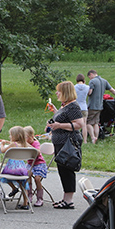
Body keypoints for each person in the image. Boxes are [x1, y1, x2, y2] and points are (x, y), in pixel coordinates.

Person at [46, 81, 84, 209]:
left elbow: (79, 124)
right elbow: (64, 118)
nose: (57, 93)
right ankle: (65, 198)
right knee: (62, 170)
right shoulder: (64, 106)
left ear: (65, 92)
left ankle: (69, 200)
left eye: (59, 91)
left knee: (67, 169)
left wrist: (59, 125)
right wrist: (55, 113)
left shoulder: (73, 106)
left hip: (68, 142)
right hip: (60, 142)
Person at [87, 69, 115, 144]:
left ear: (91, 74)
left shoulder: (92, 81)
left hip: (92, 105)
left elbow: (90, 93)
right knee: (96, 123)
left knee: (88, 122)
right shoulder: (104, 81)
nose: (89, 78)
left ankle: (93, 137)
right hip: (100, 106)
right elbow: (112, 90)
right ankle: (96, 137)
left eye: (89, 77)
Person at [23, 126, 47, 207]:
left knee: (37, 178)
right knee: (27, 176)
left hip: (39, 163)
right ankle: (29, 194)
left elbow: (37, 152)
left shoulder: (35, 143)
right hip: (30, 164)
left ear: (31, 137)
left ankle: (40, 198)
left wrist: (28, 145)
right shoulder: (25, 144)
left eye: (25, 137)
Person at [75, 74, 90, 144]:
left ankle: (76, 139)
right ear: (84, 80)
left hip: (77, 107)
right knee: (84, 125)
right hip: (84, 107)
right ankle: (85, 140)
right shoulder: (87, 87)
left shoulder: (74, 87)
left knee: (76, 125)